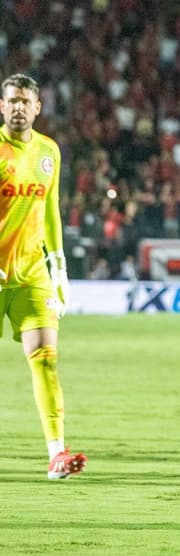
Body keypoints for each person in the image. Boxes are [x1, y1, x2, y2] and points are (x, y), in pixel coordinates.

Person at [0, 73, 87, 479]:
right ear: (2, 106)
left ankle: (56, 454)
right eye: (11, 100)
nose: (18, 107)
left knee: (45, 360)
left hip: (31, 273)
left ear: (37, 108)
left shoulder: (49, 151)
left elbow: (50, 209)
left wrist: (60, 267)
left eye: (25, 101)